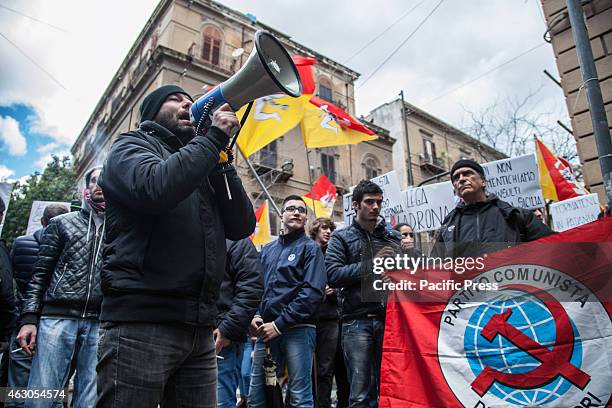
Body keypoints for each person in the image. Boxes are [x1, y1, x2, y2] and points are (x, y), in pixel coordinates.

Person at [96, 84, 255, 407]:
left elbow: (242, 225)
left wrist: (222, 161)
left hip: (199, 328)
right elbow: (156, 187)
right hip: (141, 322)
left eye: (191, 101)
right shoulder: (131, 146)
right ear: (152, 111)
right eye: (175, 100)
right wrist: (210, 140)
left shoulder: (203, 159)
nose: (188, 105)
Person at [17, 167, 106, 408]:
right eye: (95, 181)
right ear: (86, 188)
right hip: (56, 319)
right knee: (41, 395)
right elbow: (40, 275)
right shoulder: (61, 224)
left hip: (99, 321)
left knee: (88, 399)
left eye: (106, 180)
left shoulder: (120, 229)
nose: (100, 186)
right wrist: (29, 318)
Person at [325, 180, 401, 408]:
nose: (375, 207)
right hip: (356, 322)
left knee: (390, 389)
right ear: (356, 205)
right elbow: (333, 274)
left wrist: (398, 275)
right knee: (360, 395)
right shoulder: (341, 237)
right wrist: (372, 265)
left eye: (379, 202)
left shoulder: (393, 237)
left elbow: (407, 272)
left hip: (390, 321)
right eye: (369, 202)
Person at [248, 195, 326, 408]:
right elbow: (257, 287)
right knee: (258, 397)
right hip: (266, 336)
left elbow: (312, 293)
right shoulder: (267, 250)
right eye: (291, 208)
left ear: (306, 218)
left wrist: (279, 324)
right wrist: (255, 315)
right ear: (281, 215)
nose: (296, 212)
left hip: (298, 330)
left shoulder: (311, 249)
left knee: (300, 398)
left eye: (301, 210)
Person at [8, 204, 68, 407]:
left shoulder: (20, 243)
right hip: (57, 321)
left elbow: (14, 278)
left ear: (42, 221)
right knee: (54, 386)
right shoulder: (67, 246)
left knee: (17, 383)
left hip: (23, 318)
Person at [431, 159, 552, 258]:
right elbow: (434, 270)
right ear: (455, 190)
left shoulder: (515, 215)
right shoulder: (447, 228)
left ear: (483, 181)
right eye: (456, 178)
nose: (461, 179)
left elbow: (554, 248)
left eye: (467, 173)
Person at [216, 238, 263, 408]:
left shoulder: (238, 241)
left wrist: (227, 329)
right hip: (186, 331)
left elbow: (251, 288)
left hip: (223, 337)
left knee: (221, 400)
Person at [309, 217, 348, 408]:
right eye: (324, 227)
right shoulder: (307, 251)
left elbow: (341, 279)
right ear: (315, 230)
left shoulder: (334, 254)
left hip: (332, 317)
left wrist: (334, 291)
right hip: (311, 318)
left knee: (329, 368)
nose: (328, 231)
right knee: (314, 369)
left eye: (330, 228)